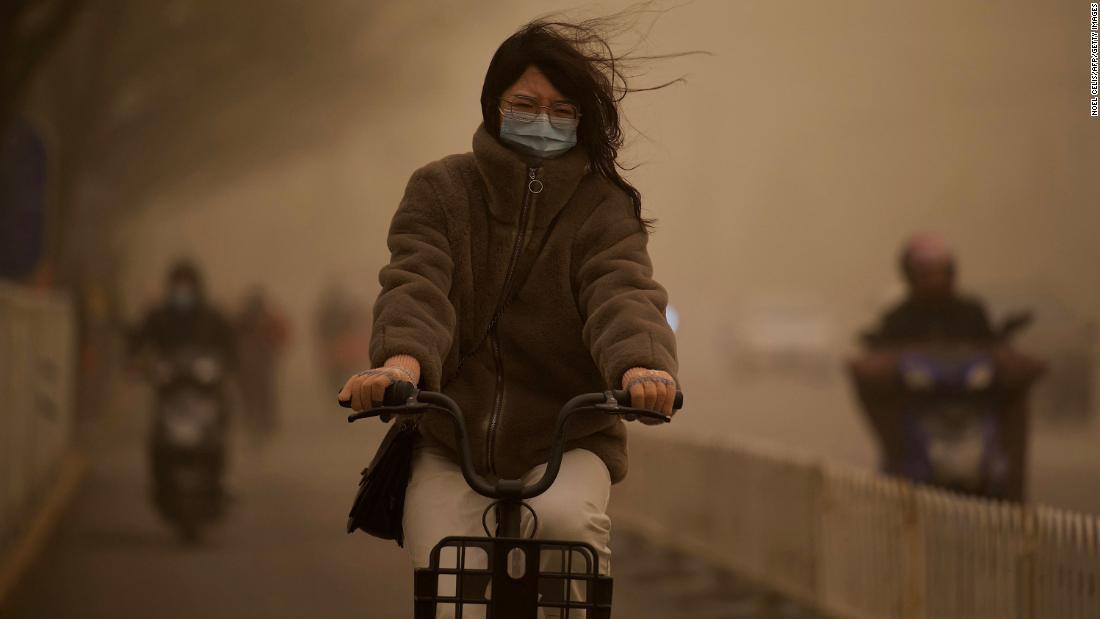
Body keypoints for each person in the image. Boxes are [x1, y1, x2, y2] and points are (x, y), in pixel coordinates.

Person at [336, 14, 681, 610]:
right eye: (525, 102)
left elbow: (622, 292)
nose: (543, 119)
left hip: (571, 442)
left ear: (582, 119)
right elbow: (416, 282)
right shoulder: (440, 190)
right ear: (494, 105)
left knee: (566, 528)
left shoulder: (605, 209)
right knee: (451, 581)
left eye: (562, 109)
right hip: (449, 439)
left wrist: (641, 368)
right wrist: (400, 367)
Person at [866, 233, 994, 347]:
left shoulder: (972, 313)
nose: (937, 281)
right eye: (927, 274)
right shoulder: (897, 319)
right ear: (910, 277)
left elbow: (994, 349)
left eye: (943, 273)